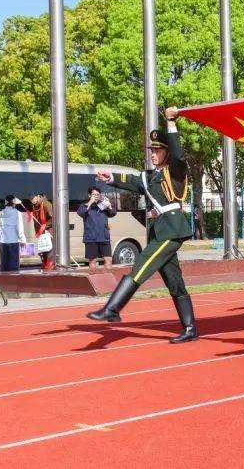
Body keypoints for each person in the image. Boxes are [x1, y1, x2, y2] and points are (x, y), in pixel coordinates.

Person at [87, 107, 199, 344]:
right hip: (160, 231)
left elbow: (179, 155)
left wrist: (171, 123)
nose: (153, 154)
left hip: (172, 230)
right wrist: (111, 178)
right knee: (175, 283)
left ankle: (112, 309)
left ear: (167, 153)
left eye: (158, 150)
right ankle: (190, 328)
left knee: (140, 265)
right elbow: (133, 181)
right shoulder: (150, 176)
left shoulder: (175, 172)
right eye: (152, 150)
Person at [77, 186, 117, 268]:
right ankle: (93, 275)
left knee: (108, 261)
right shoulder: (84, 205)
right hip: (91, 238)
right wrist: (90, 203)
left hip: (104, 237)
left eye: (97, 195)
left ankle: (107, 276)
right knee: (92, 262)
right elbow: (81, 213)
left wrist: (109, 206)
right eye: (94, 195)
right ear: (89, 195)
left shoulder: (103, 205)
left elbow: (113, 213)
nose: (96, 196)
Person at [0, 195, 27, 272]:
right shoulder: (17, 213)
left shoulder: (1, 213)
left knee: (4, 264)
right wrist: (23, 239)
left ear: (5, 202)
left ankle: (4, 278)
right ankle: (13, 279)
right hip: (14, 240)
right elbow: (19, 228)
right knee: (14, 265)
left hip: (3, 241)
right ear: (14, 203)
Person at [27, 192, 54, 271]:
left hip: (48, 228)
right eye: (30, 199)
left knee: (49, 247)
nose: (32, 200)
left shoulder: (46, 204)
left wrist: (46, 226)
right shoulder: (34, 206)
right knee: (43, 247)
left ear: (38, 196)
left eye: (33, 198)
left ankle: (50, 263)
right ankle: (45, 263)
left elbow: (52, 217)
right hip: (40, 230)